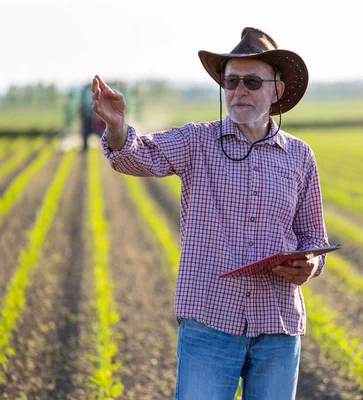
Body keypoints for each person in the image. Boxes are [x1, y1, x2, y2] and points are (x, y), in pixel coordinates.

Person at [91, 27, 329, 400]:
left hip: (278, 324)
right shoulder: (197, 141)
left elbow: (314, 238)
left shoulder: (300, 156)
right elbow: (136, 156)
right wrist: (118, 126)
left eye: (252, 81)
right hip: (211, 320)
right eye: (231, 81)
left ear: (277, 90)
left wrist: (310, 264)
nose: (239, 91)